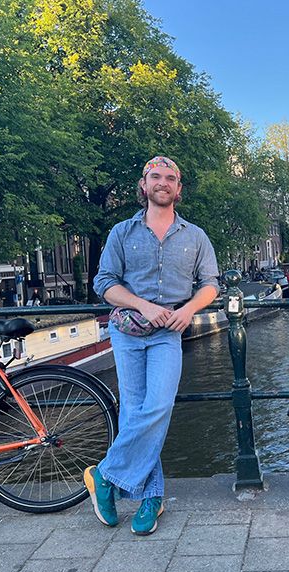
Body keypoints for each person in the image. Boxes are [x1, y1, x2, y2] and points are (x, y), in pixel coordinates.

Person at [88, 156, 219, 535]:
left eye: (170, 178)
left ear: (179, 190)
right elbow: (105, 282)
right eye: (156, 177)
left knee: (157, 407)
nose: (163, 182)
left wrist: (190, 310)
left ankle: (105, 476)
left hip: (168, 333)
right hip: (127, 332)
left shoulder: (195, 236)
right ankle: (151, 498)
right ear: (143, 186)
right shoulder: (121, 233)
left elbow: (210, 282)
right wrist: (142, 303)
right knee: (135, 414)